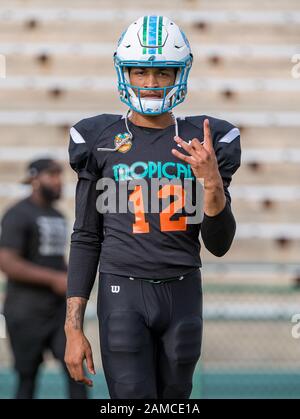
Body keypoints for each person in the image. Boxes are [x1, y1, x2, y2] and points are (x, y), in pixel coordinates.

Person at [64, 15, 241, 399]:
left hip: (183, 291)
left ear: (180, 73)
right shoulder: (99, 138)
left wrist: (211, 181)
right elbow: (86, 235)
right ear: (123, 72)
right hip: (121, 291)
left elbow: (219, 243)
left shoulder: (207, 139)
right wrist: (73, 327)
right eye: (140, 72)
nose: (150, 83)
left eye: (162, 73)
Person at [0, 158, 87, 399]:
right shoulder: (17, 214)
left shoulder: (58, 215)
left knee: (76, 372)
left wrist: (69, 276)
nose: (58, 181)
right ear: (34, 179)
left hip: (58, 310)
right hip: (25, 311)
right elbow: (7, 261)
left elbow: (54, 258)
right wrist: (54, 279)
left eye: (60, 175)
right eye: (52, 175)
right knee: (27, 378)